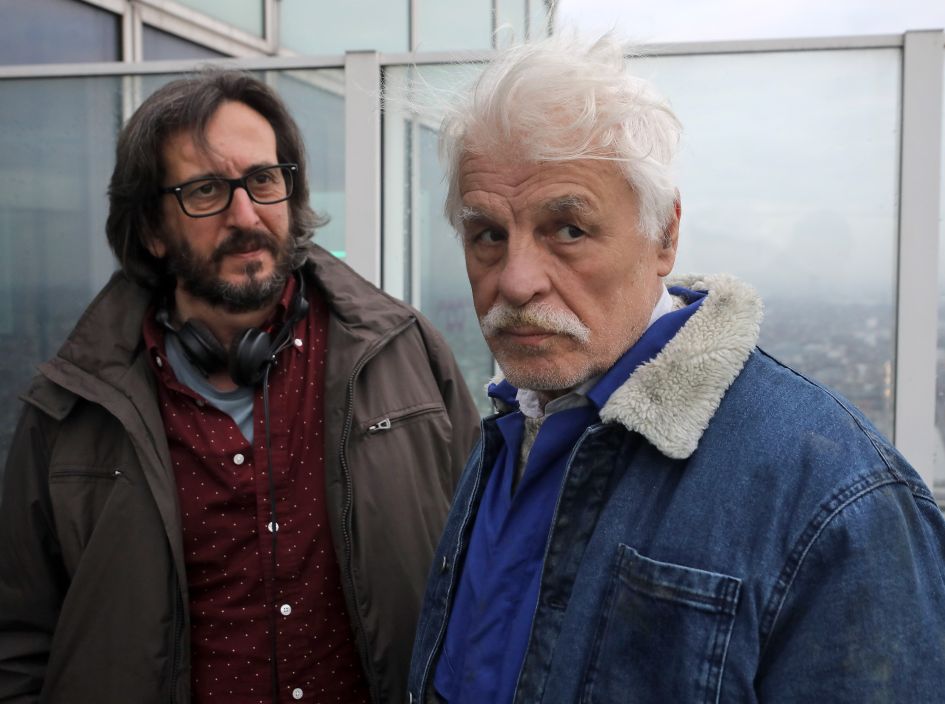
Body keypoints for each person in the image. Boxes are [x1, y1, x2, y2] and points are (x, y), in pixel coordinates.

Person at [407, 34, 945, 703]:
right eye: (488, 234)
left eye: (568, 229)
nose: (516, 281)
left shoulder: (835, 495)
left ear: (664, 235)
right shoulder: (516, 419)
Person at [0, 70, 479, 704]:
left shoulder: (405, 356)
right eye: (205, 190)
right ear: (151, 229)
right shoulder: (71, 406)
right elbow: (18, 645)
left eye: (263, 180)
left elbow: (489, 572)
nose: (245, 215)